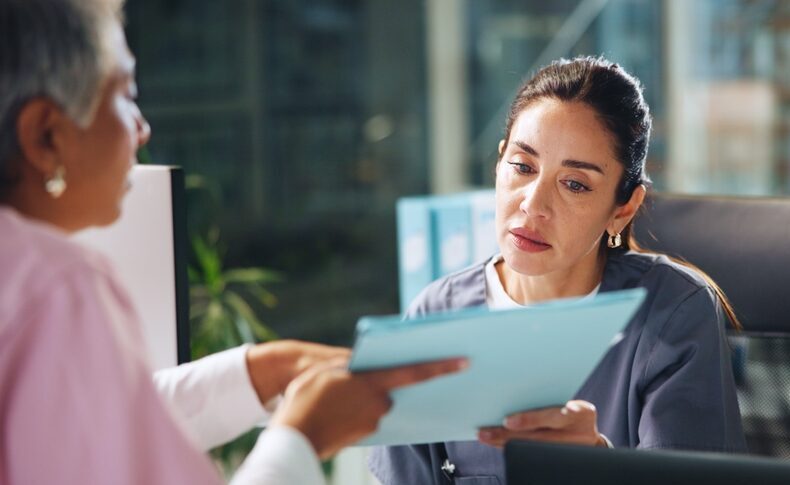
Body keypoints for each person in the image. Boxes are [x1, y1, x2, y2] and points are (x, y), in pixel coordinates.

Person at [0, 0, 467, 483]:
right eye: (125, 94)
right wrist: (302, 440)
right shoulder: (55, 287)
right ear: (46, 136)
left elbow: (88, 424)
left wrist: (261, 370)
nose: (142, 130)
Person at [369, 57, 747, 484]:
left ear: (622, 210)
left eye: (575, 184)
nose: (533, 204)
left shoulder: (674, 313)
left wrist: (596, 464)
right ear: (498, 165)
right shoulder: (435, 318)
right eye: (523, 167)